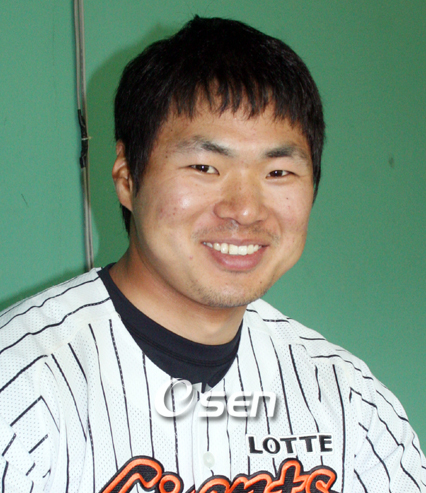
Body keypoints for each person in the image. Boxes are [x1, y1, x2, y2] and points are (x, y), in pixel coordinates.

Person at [0, 15, 424, 493]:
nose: (245, 209)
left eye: (278, 173)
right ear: (127, 178)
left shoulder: (348, 402)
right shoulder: (20, 391)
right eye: (204, 167)